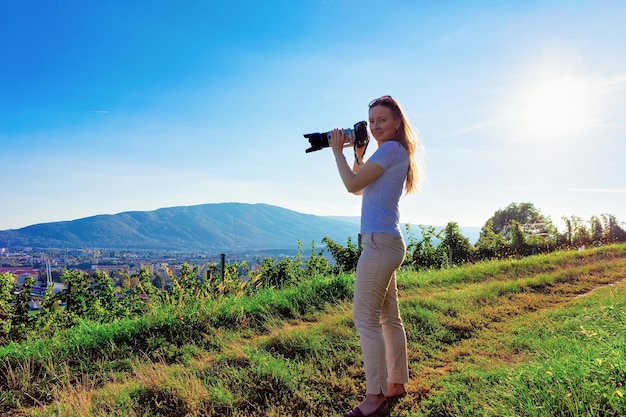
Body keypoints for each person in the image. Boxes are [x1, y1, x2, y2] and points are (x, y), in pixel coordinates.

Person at [329, 95, 422, 417]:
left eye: (382, 120)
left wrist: (337, 154)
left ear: (397, 121)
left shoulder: (392, 150)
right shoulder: (391, 152)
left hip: (380, 244)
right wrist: (357, 154)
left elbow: (349, 184)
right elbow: (359, 187)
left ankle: (374, 396)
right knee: (387, 318)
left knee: (365, 319)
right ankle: (395, 384)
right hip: (386, 242)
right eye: (371, 122)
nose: (376, 126)